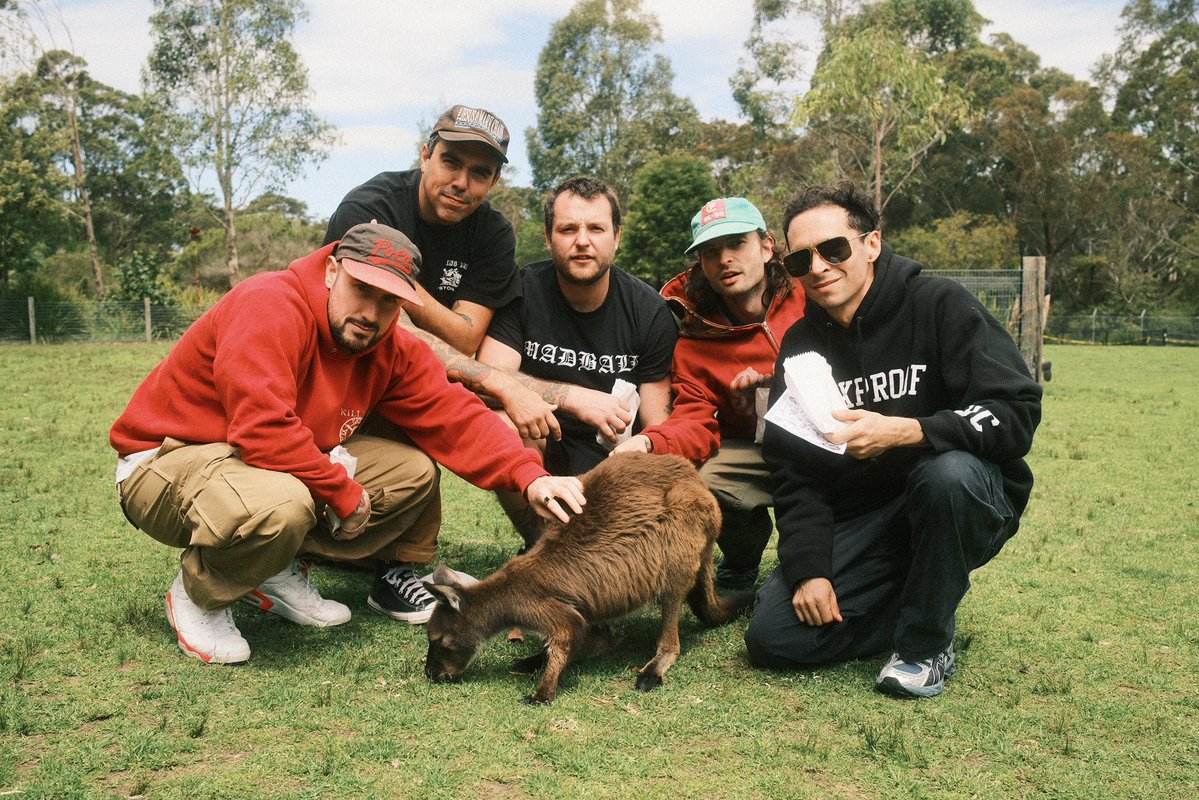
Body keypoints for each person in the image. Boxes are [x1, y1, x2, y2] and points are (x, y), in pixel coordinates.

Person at [111, 222, 585, 665]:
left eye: (388, 302)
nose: (371, 314)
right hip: (167, 459)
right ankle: (199, 593)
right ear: (332, 271)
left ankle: (272, 569)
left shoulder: (390, 346)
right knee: (284, 503)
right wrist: (341, 490)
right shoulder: (270, 303)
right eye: (362, 290)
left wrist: (531, 478)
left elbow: (455, 416)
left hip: (249, 462)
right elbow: (261, 428)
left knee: (411, 473)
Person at [745, 182, 1042, 698]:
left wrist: (910, 431)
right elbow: (795, 474)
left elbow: (1016, 412)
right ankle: (926, 595)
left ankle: (926, 644)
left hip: (962, 498)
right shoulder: (799, 346)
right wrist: (811, 570)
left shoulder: (939, 304)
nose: (817, 268)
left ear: (872, 244)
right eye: (800, 261)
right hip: (867, 518)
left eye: (833, 249)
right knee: (774, 639)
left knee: (946, 474)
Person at [474, 176, 678, 546]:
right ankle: (540, 549)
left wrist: (633, 461)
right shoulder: (521, 291)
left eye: (596, 228)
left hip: (610, 454)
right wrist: (571, 396)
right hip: (540, 442)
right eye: (568, 229)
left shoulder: (650, 312)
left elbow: (658, 423)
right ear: (549, 238)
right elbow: (488, 377)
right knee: (503, 423)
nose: (582, 241)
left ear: (616, 237)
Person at [612, 197, 805, 590]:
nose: (725, 259)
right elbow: (693, 421)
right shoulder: (695, 338)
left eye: (737, 244)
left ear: (767, 246)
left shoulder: (810, 296)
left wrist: (778, 377)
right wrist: (648, 443)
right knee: (704, 478)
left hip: (823, 435)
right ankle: (743, 558)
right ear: (700, 263)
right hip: (755, 447)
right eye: (711, 251)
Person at [324, 104, 519, 357]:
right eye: (451, 163)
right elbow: (368, 321)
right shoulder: (369, 208)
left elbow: (465, 340)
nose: (461, 183)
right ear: (426, 157)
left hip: (433, 377)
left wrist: (392, 277)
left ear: (493, 182)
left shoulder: (494, 234)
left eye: (480, 173)